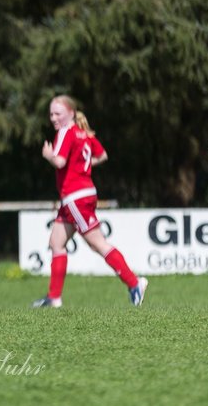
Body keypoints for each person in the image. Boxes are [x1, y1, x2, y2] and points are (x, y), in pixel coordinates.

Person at [31, 95, 147, 309]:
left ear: (71, 113)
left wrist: (48, 155)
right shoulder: (84, 133)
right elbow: (102, 156)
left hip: (75, 196)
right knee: (56, 243)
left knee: (98, 243)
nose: (53, 118)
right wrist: (83, 166)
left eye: (58, 113)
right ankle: (53, 298)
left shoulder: (65, 132)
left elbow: (60, 161)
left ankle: (135, 283)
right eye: (51, 114)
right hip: (80, 195)